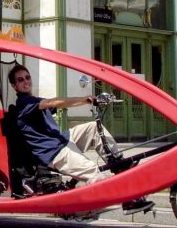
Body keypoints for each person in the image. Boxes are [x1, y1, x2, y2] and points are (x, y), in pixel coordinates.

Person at [8, 64, 154, 214]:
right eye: (20, 80)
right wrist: (84, 99)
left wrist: (92, 100)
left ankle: (119, 165)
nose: (26, 82)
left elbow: (59, 104)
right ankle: (127, 200)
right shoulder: (24, 103)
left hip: (62, 139)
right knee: (93, 172)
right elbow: (53, 102)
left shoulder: (34, 100)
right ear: (15, 86)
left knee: (93, 127)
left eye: (27, 77)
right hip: (54, 152)